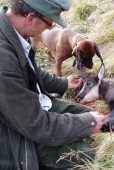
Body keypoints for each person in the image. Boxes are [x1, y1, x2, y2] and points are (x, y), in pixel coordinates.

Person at [0, 0, 106, 170]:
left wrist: (62, 82)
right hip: (13, 131)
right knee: (84, 154)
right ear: (31, 18)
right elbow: (35, 124)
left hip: (32, 106)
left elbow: (31, 69)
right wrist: (83, 124)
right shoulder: (2, 58)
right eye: (49, 23)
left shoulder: (15, 32)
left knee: (90, 114)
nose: (49, 29)